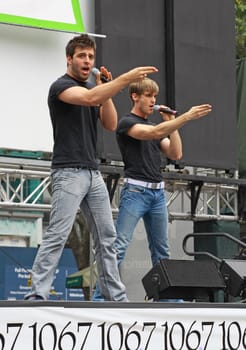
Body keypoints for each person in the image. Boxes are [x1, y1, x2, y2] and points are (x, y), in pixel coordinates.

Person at [24, 34, 158, 301]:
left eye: (91, 57)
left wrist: (107, 88)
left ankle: (115, 297)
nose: (87, 61)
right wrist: (123, 79)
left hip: (92, 172)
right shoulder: (60, 87)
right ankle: (37, 295)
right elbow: (88, 98)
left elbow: (110, 123)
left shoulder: (94, 90)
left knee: (107, 237)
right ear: (69, 59)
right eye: (82, 56)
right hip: (68, 171)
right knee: (58, 235)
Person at [93, 77, 212, 301]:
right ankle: (101, 297)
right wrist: (186, 117)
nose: (153, 100)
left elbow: (175, 154)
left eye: (154, 96)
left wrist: (173, 122)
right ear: (134, 96)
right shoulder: (127, 123)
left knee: (161, 252)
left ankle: (166, 298)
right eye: (148, 95)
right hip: (135, 192)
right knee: (119, 247)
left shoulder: (154, 126)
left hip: (157, 193)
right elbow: (152, 134)